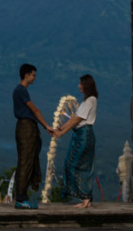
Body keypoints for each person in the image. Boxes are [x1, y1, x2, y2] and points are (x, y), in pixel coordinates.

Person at [12, 63, 54, 209]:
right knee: (26, 161)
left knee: (27, 160)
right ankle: (21, 198)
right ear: (27, 75)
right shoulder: (21, 90)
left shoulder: (21, 90)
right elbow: (35, 110)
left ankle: (22, 196)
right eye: (33, 75)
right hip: (26, 128)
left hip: (26, 127)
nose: (35, 77)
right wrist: (46, 126)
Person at [54, 74, 98, 208]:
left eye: (81, 84)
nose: (79, 86)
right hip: (80, 134)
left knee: (78, 165)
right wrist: (61, 129)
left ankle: (85, 198)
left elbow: (76, 119)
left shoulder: (91, 100)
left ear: (86, 85)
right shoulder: (87, 101)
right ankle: (86, 198)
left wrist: (61, 131)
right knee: (74, 164)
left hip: (84, 135)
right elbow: (74, 119)